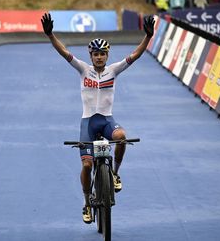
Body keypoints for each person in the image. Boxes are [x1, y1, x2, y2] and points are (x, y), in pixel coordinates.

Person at [41, 13, 155, 224]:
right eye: (96, 54)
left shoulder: (114, 70)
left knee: (121, 136)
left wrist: (148, 37)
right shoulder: (84, 69)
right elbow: (64, 52)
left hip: (106, 120)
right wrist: (50, 35)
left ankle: (114, 174)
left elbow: (135, 55)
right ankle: (86, 202)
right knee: (86, 166)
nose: (99, 57)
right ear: (91, 55)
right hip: (88, 123)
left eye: (103, 53)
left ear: (107, 55)